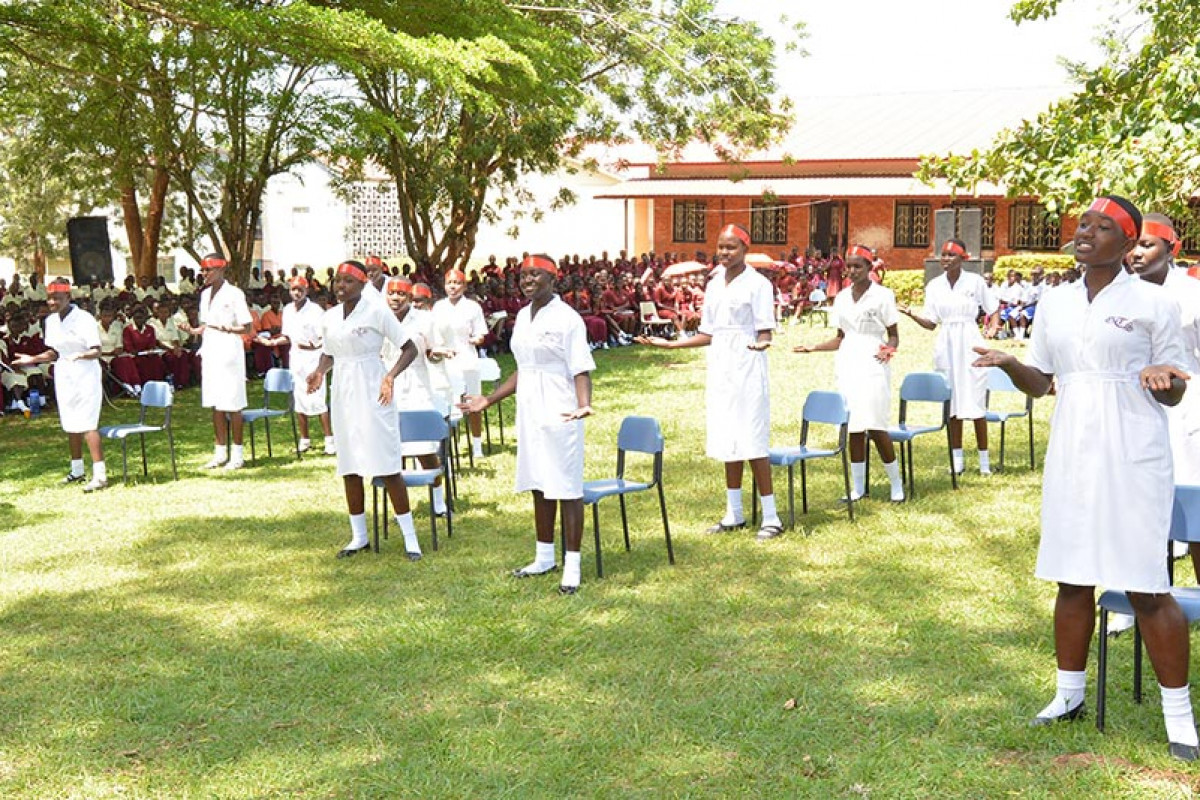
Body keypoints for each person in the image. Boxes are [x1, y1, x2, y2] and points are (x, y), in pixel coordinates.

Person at [973, 196, 1198, 761]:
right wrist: (1008, 363)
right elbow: (1042, 381)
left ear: (1127, 245)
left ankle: (1180, 718)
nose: (1085, 234)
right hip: (1073, 448)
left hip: (1134, 450)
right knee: (1071, 579)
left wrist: (1158, 376)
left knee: (1147, 585)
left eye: (1102, 228)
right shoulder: (1055, 302)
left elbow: (1175, 386)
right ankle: (1067, 696)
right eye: (1081, 225)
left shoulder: (1154, 302)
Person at [637, 223, 785, 539]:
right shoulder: (715, 284)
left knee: (753, 438)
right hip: (721, 365)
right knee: (727, 435)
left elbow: (764, 330)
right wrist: (672, 344)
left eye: (732, 247)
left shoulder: (758, 284)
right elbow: (708, 333)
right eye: (721, 247)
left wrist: (761, 343)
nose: (725, 253)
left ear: (745, 249)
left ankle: (771, 517)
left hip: (747, 363)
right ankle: (734, 513)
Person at [461, 254, 595, 593]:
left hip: (561, 406)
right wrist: (487, 400)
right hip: (530, 408)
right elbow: (524, 370)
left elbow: (580, 367)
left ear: (553, 279)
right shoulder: (522, 316)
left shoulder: (568, 318)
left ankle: (573, 565)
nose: (527, 280)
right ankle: (544, 556)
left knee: (566, 486)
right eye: (523, 275)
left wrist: (584, 405)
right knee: (538, 479)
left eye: (536, 274)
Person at [306, 260, 424, 560]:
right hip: (342, 390)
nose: (340, 286)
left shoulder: (376, 311)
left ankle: (410, 538)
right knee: (349, 465)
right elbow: (329, 352)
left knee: (387, 463)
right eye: (337, 281)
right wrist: (320, 371)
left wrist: (390, 375)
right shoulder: (330, 317)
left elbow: (409, 347)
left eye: (348, 281)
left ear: (362, 284)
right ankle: (359, 536)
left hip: (373, 387)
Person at [793, 245, 905, 502]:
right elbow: (840, 338)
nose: (853, 271)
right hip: (849, 362)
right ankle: (858, 487)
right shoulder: (842, 298)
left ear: (869, 268)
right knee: (853, 426)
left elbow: (894, 335)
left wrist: (889, 350)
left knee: (876, 425)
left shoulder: (883, 295)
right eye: (849, 266)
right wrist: (813, 347)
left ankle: (896, 485)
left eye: (858, 266)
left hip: (874, 361)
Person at [1128, 214, 1200, 578]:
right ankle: (1139, 594)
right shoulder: (1122, 293)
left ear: (1172, 248)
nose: (1137, 253)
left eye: (1147, 244)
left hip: (1188, 410)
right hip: (1136, 409)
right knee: (1141, 504)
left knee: (1192, 500)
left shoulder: (1191, 294)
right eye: (1134, 245)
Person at [899, 239, 1000, 475]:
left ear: (962, 258)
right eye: (942, 255)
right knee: (952, 402)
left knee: (975, 400)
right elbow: (931, 323)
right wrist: (911, 313)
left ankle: (984, 464)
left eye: (950, 255)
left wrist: (993, 327)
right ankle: (957, 462)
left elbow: (992, 307)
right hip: (946, 343)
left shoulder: (975, 282)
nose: (945, 259)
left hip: (970, 340)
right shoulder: (934, 286)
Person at [12, 278, 108, 491]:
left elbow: (96, 350)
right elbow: (54, 351)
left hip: (85, 374)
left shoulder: (84, 319)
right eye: (50, 298)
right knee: (70, 422)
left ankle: (100, 475)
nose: (53, 302)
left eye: (57, 298)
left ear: (68, 297)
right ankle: (77, 470)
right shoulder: (51, 321)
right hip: (65, 374)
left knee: (88, 423)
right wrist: (33, 359)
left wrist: (81, 355)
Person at [179, 254, 253, 470]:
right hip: (211, 350)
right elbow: (207, 325)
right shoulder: (204, 295)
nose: (204, 274)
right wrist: (193, 331)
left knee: (233, 403)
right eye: (202, 270)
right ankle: (220, 452)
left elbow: (246, 327)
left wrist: (227, 328)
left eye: (208, 270)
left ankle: (237, 454)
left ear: (221, 270)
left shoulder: (234, 294)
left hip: (229, 350)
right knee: (216, 402)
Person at [382, 276, 448, 516]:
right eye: (392, 294)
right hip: (388, 386)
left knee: (425, 449)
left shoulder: (424, 319)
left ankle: (439, 501)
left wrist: (438, 353)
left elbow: (432, 351)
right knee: (392, 449)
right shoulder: (380, 318)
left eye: (401, 294)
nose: (396, 299)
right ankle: (400, 505)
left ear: (410, 297)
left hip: (417, 385)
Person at [271, 276, 334, 455]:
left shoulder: (315, 311)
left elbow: (323, 338)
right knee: (299, 398)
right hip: (296, 356)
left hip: (314, 357)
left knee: (318, 398)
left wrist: (316, 346)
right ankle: (304, 439)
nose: (297, 293)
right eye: (293, 289)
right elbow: (288, 337)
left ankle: (329, 440)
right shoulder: (288, 310)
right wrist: (271, 343)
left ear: (307, 291)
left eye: (300, 290)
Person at [432, 268, 488, 459]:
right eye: (449, 283)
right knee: (447, 404)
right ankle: (449, 446)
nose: (453, 287)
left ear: (464, 286)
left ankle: (477, 445)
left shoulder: (473, 307)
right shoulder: (438, 307)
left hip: (468, 359)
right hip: (447, 361)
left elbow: (481, 332)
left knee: (473, 402)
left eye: (457, 283)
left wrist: (477, 339)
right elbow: (433, 334)